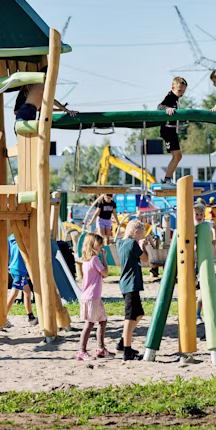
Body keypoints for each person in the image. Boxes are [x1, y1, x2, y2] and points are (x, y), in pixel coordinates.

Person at [116, 219, 149, 360]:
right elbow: (146, 259)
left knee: (139, 314)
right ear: (135, 232)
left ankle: (123, 341)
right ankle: (127, 351)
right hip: (131, 284)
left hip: (126, 284)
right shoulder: (132, 244)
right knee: (129, 317)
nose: (140, 238)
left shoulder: (120, 243)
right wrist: (143, 246)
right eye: (140, 235)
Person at [77, 234, 111, 361]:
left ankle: (101, 348)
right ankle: (81, 350)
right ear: (93, 245)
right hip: (92, 296)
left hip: (92, 296)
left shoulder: (86, 260)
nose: (101, 246)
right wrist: (105, 258)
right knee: (90, 324)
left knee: (103, 320)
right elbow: (105, 273)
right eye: (99, 244)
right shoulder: (95, 259)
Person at [157, 76, 187, 187]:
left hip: (173, 130)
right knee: (177, 155)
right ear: (173, 88)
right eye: (179, 90)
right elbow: (160, 106)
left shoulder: (176, 98)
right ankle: (166, 180)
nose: (181, 93)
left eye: (183, 91)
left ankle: (167, 180)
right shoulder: (170, 97)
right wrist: (166, 109)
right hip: (168, 130)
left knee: (178, 156)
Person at [4, 233, 38, 327]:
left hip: (13, 267)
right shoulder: (25, 237)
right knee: (14, 293)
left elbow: (8, 254)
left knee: (27, 292)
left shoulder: (10, 238)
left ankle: (31, 317)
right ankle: (2, 318)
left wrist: (8, 266)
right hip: (20, 269)